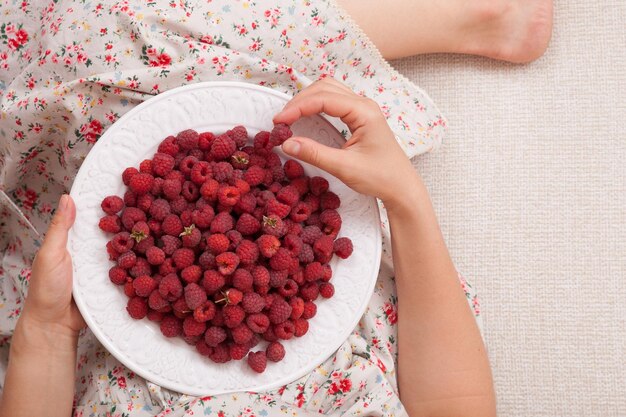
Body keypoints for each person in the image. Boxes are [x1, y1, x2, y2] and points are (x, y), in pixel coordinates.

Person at [0, 0, 552, 416]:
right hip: (318, 285)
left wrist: (48, 328)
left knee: (87, 31)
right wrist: (405, 197)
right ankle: (468, 15)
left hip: (110, 307)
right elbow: (457, 403)